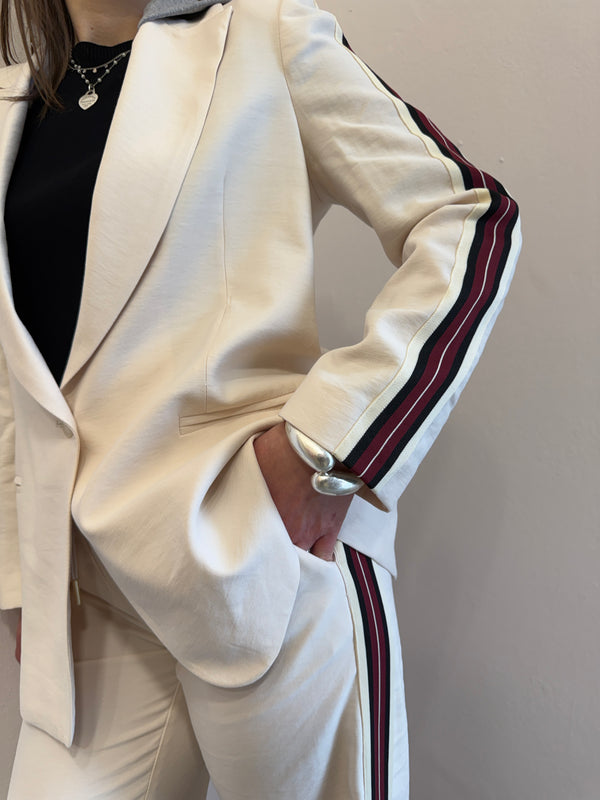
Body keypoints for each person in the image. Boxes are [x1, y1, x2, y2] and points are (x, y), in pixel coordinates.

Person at [0, 0, 521, 796]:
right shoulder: (16, 98)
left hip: (261, 557)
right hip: (90, 599)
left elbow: (470, 219)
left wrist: (328, 453)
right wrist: (20, 571)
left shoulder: (264, 35)